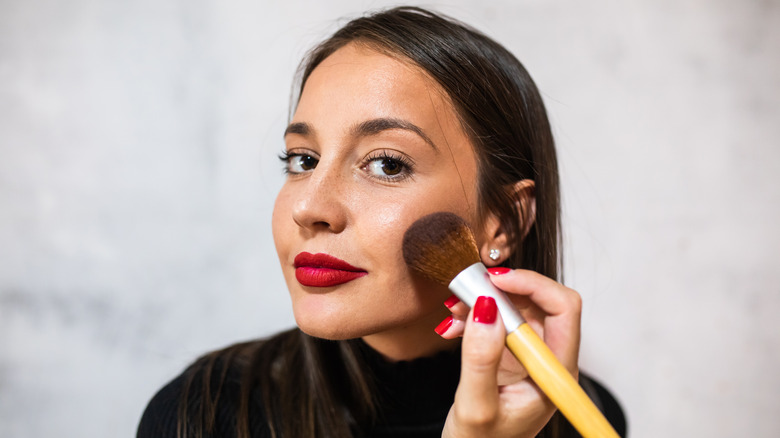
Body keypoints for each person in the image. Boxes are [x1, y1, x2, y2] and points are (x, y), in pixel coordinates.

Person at [137, 6, 626, 438]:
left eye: (387, 164)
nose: (309, 208)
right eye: (303, 160)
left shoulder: (585, 417)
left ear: (504, 220)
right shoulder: (201, 415)